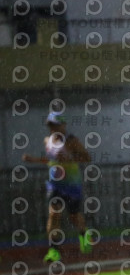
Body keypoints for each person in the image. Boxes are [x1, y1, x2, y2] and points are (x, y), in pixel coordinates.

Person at [22, 112, 93, 262]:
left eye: (55, 125)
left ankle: (83, 233)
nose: (53, 128)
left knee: (74, 216)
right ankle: (54, 250)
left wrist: (69, 159)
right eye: (50, 126)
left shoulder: (71, 141)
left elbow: (87, 158)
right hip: (55, 185)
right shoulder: (47, 140)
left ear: (63, 125)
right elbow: (51, 160)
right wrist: (33, 160)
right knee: (54, 214)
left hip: (72, 184)